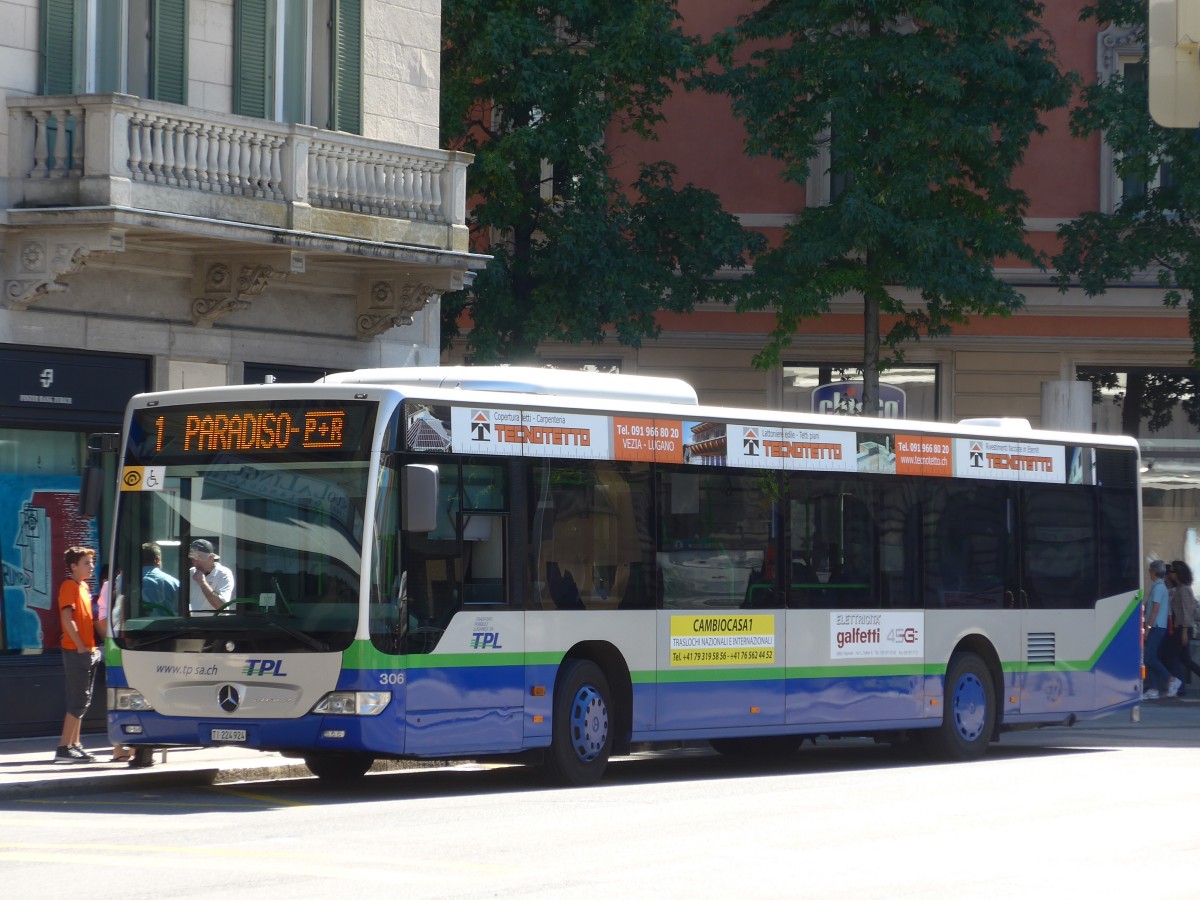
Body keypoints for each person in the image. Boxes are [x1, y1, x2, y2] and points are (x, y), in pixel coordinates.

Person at [54, 547, 101, 764]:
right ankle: (64, 748)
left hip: (87, 651)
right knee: (77, 700)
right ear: (74, 566)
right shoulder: (69, 586)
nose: (91, 566)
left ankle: (74, 744)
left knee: (83, 700)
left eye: (92, 562)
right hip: (76, 651)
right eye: (86, 563)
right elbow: (67, 619)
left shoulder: (84, 586)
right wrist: (81, 646)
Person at [94, 565, 133, 763]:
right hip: (134, 646)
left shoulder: (110, 585)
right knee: (131, 694)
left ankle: (122, 747)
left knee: (120, 696)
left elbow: (101, 620)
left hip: (118, 647)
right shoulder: (135, 584)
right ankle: (128, 747)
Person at [1165, 560, 1200, 697]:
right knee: (1185, 659)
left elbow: (1185, 611)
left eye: (1172, 571)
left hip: (1183, 628)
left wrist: (1184, 631)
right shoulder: (1181, 588)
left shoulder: (1183, 590)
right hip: (1183, 628)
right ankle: (1180, 687)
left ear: (1178, 573)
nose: (1170, 574)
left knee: (1171, 655)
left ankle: (1180, 687)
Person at [1143, 559, 1176, 700]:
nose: (1149, 573)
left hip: (1156, 627)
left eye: (1150, 571)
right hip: (1159, 627)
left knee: (1149, 656)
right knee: (1150, 657)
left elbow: (1155, 610)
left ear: (1154, 572)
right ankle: (1154, 688)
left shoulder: (1158, 588)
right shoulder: (1161, 587)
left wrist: (1148, 628)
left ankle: (1170, 679)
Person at [188, 539, 234, 614]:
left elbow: (222, 607)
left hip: (215, 624)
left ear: (211, 557)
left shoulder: (223, 574)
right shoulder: (191, 573)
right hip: (195, 624)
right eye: (193, 559)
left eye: (199, 558)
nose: (196, 563)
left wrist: (202, 583)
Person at [141, 542, 181, 615]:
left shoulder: (125, 582)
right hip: (167, 626)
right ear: (157, 560)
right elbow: (181, 612)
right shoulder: (174, 583)